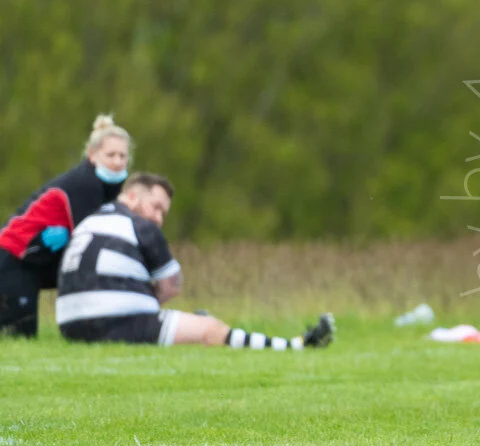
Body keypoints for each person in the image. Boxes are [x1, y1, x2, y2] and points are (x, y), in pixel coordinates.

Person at [56, 172, 335, 349]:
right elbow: (171, 286)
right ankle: (296, 345)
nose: (158, 218)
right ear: (131, 196)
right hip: (117, 323)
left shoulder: (88, 223)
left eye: (163, 213)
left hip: (69, 326)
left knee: (188, 329)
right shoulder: (141, 227)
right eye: (156, 207)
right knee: (210, 330)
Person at [0, 115, 133, 338]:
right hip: (13, 256)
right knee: (17, 335)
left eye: (123, 155)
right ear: (92, 155)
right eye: (110, 155)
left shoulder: (111, 186)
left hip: (39, 259)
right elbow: (95, 239)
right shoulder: (86, 184)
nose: (118, 161)